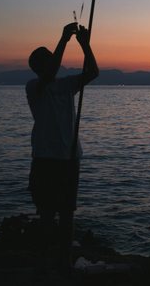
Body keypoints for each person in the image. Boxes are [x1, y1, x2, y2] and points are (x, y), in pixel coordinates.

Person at [26, 22, 99, 273]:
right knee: (47, 213)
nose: (55, 63)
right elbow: (47, 75)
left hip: (70, 157)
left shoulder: (67, 84)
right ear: (39, 66)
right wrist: (63, 40)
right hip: (46, 158)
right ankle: (43, 263)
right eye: (50, 59)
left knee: (68, 213)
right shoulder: (34, 87)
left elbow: (93, 72)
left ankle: (65, 262)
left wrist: (84, 45)